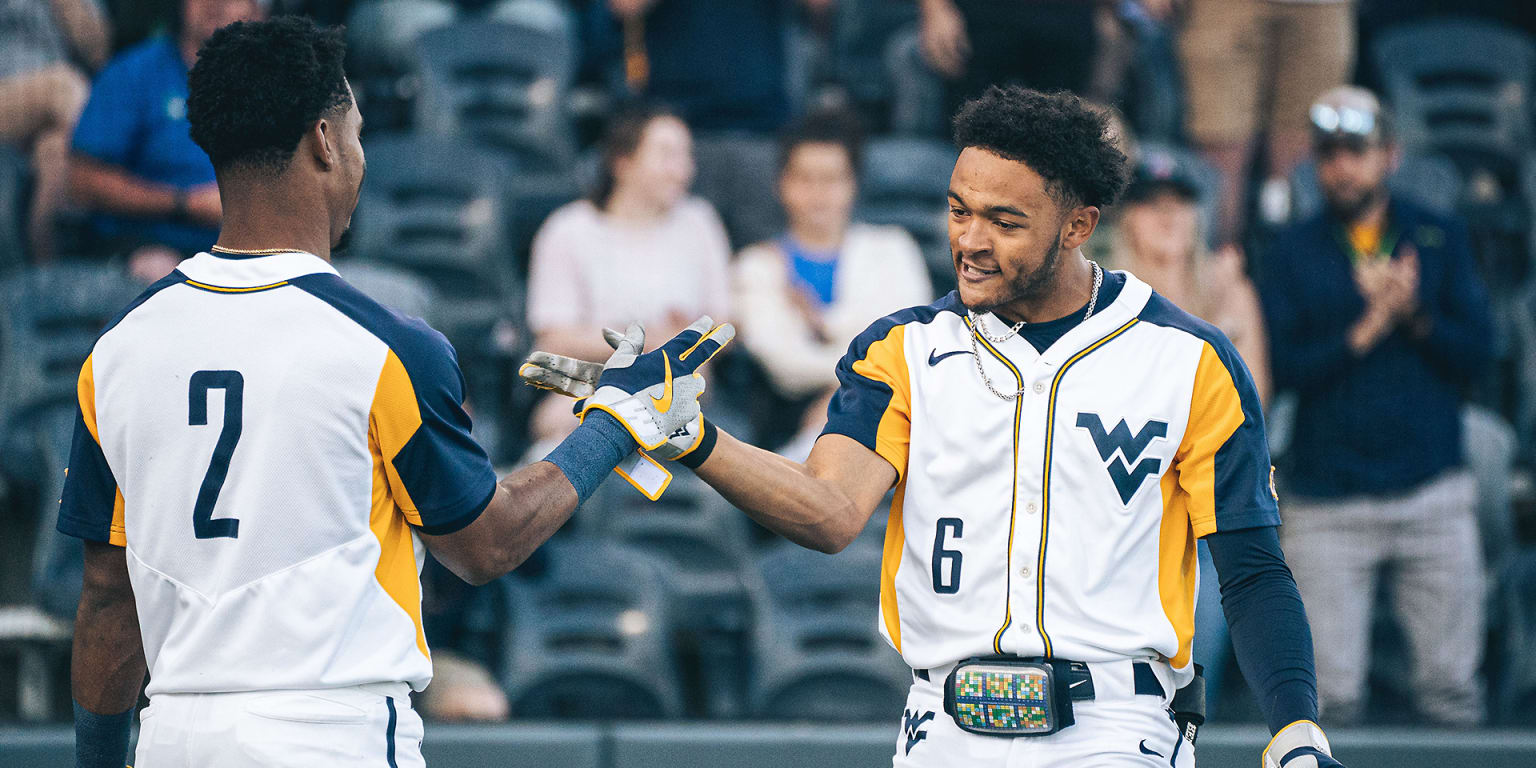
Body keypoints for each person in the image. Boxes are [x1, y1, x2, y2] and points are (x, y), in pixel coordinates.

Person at [525, 85, 1343, 768]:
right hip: (943, 724)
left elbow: (1252, 569)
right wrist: (695, 439)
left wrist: (1295, 722)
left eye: (1003, 221)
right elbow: (828, 511)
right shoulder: (902, 349)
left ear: (1079, 225)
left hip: (1114, 726)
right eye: (958, 211)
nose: (969, 240)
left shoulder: (1188, 359)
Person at [61, 17, 726, 768]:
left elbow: (108, 600)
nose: (359, 158)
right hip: (331, 736)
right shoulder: (384, 346)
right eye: (358, 133)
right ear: (323, 141)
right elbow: (487, 544)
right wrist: (616, 417)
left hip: (176, 737)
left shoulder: (117, 351)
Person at [1260, 86, 1494, 726]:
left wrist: (1413, 315)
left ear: (1389, 155)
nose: (1342, 167)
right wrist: (1367, 328)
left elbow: (1478, 354)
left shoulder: (1438, 235)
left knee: (1453, 698)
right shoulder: (1290, 250)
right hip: (1327, 501)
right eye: (1329, 153)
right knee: (1326, 705)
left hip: (1432, 492)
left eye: (1356, 151)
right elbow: (1280, 371)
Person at [525, 102, 730, 441]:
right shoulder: (568, 228)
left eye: (686, 156)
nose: (682, 171)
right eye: (666, 155)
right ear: (623, 162)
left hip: (681, 386)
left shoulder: (700, 221)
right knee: (555, 425)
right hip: (591, 380)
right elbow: (553, 336)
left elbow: (721, 323)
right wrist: (651, 338)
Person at [733, 108, 932, 448]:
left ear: (853, 184)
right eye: (805, 179)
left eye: (832, 179)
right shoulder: (756, 265)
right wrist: (853, 387)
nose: (818, 193)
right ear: (782, 184)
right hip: (791, 424)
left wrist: (824, 326)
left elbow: (911, 343)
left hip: (899, 415)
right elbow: (786, 367)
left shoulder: (894, 248)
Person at [68, 0, 267, 281]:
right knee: (164, 276)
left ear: (257, 10)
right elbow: (81, 179)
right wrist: (185, 204)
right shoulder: (134, 72)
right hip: (148, 242)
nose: (217, 3)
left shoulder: (274, 81)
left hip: (250, 247)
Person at [1178, 0, 1356, 242]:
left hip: (1322, 6)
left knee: (1302, 158)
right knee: (1219, 154)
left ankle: (1286, 266)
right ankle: (1218, 265)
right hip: (1221, 7)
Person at [0, 0, 109, 261]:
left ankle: (45, 274)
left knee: (56, 150)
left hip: (51, 117)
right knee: (67, 88)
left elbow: (98, 52)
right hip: (13, 94)